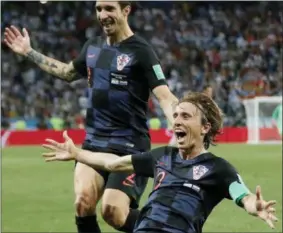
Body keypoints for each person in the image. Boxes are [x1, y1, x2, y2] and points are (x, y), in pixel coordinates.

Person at [4, 1, 178, 233]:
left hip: (129, 146)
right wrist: (29, 52)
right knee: (83, 202)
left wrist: (180, 125)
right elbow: (67, 72)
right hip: (94, 143)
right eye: (98, 9)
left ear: (126, 10)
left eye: (109, 8)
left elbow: (165, 96)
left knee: (113, 212)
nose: (102, 15)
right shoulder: (92, 47)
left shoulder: (141, 51)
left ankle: (165, 228)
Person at [42, 92, 278, 233]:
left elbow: (241, 194)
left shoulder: (218, 168)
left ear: (205, 128)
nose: (176, 121)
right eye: (175, 116)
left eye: (185, 116)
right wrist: (78, 154)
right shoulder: (162, 156)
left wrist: (253, 206)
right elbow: (114, 164)